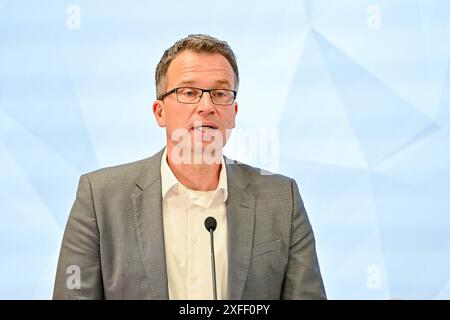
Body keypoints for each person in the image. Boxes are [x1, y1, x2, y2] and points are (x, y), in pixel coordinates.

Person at [53, 34, 326, 300]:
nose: (206, 106)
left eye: (220, 93)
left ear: (234, 112)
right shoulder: (100, 198)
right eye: (189, 92)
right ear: (159, 112)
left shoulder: (281, 199)